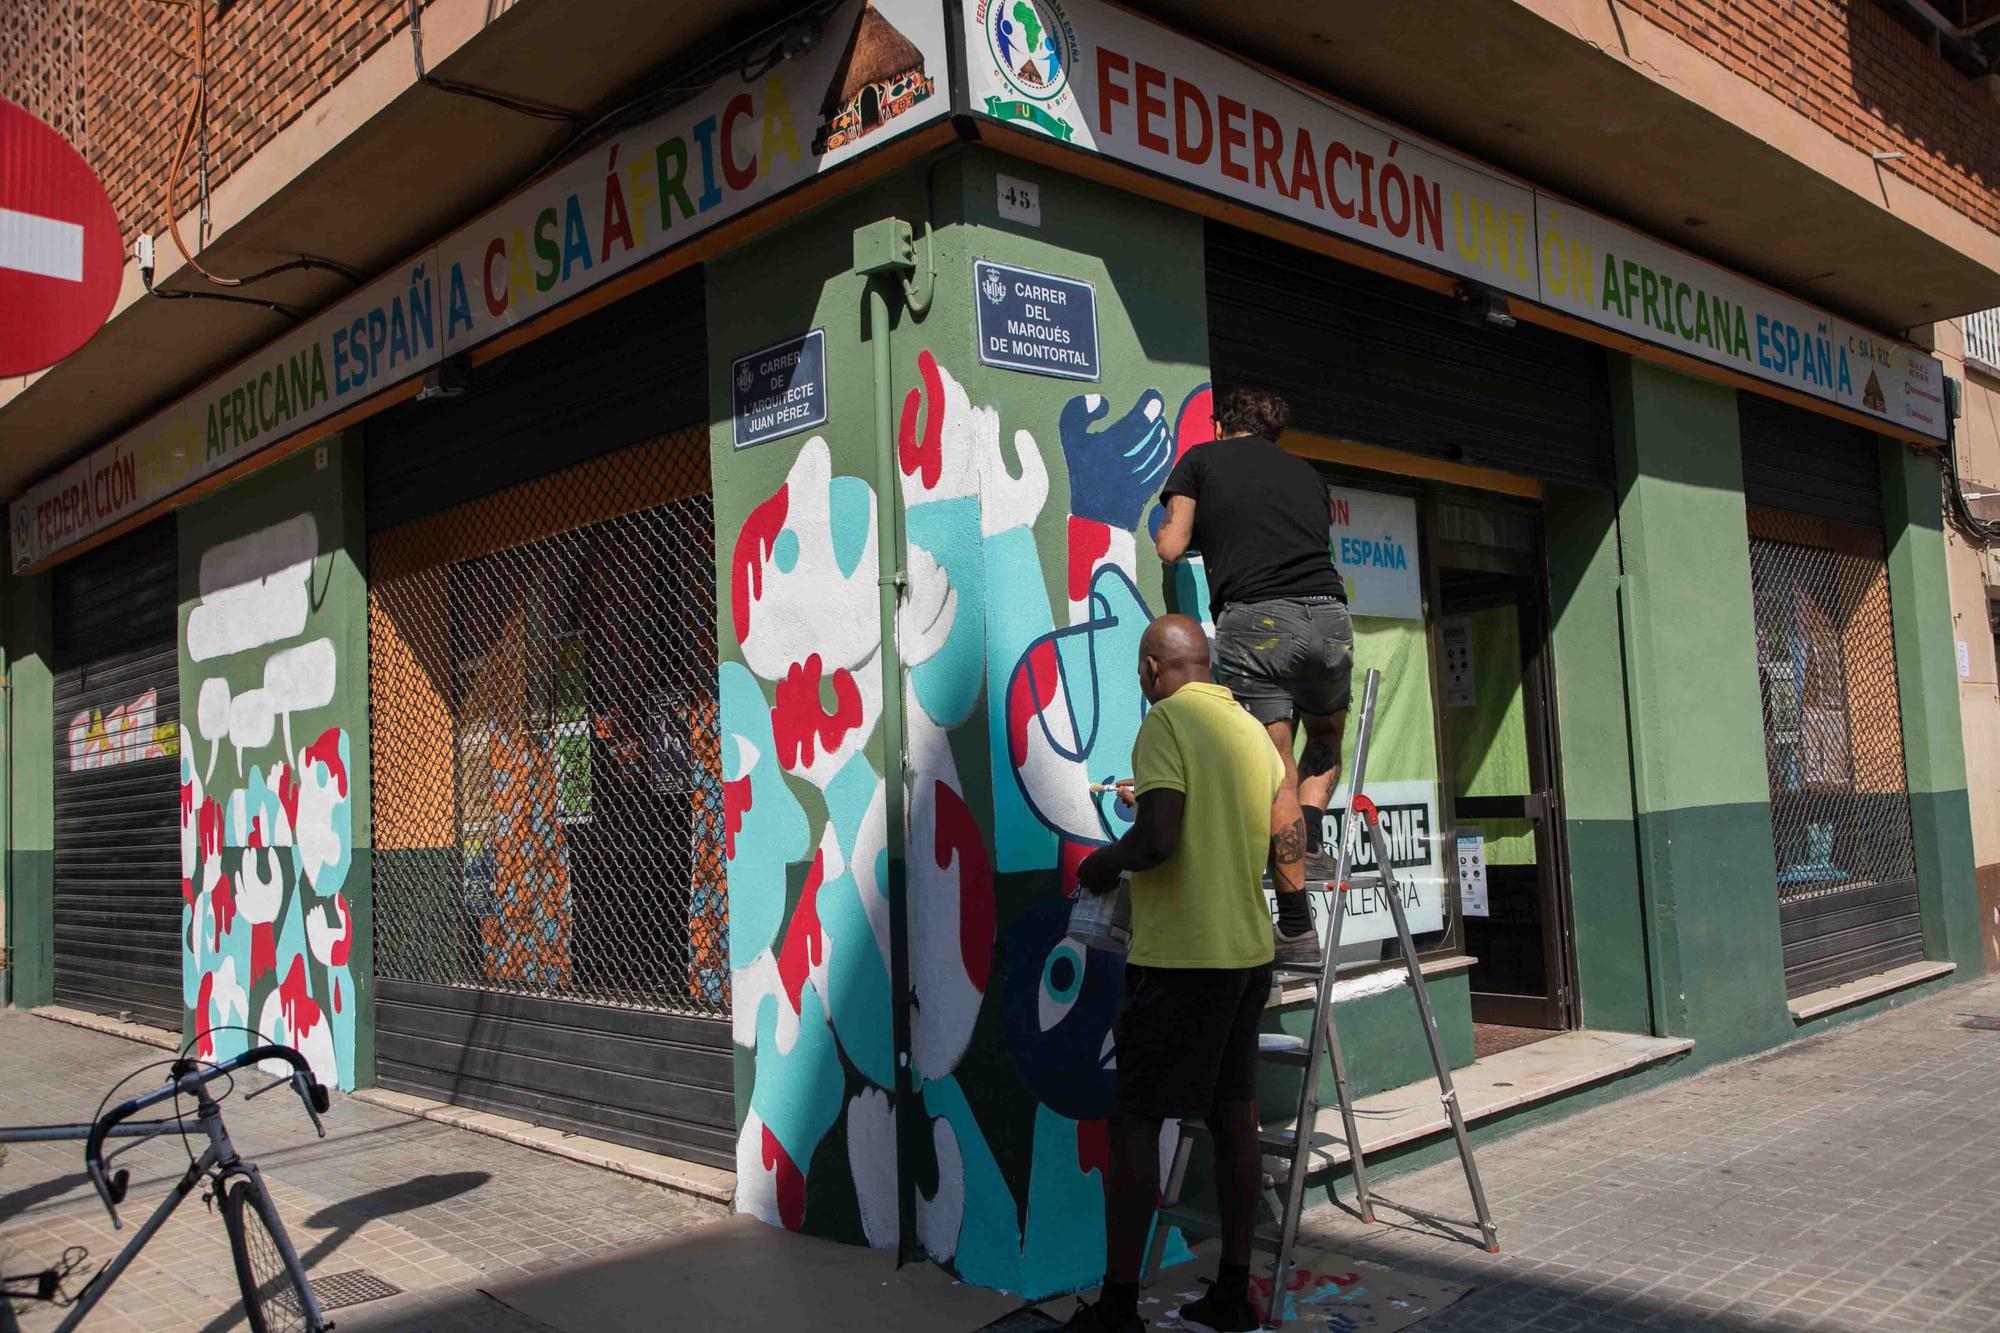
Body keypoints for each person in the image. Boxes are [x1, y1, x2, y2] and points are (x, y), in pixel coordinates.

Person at [1067, 614, 1305, 1333]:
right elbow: (1280, 832)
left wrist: (1102, 861)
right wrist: (1295, 914)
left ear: (1149, 669)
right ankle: (1234, 1293)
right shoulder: (1252, 732)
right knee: (1236, 1118)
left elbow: (1161, 840)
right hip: (1246, 957)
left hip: (1180, 963)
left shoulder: (1164, 722)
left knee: (1137, 1121)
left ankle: (1117, 1308)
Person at [1154, 387, 1352, 964]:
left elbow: (1172, 546)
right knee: (1326, 736)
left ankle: (1294, 926)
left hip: (1260, 620)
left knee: (1275, 769)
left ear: (1219, 426)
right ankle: (1310, 837)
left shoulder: (1199, 460)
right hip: (1331, 617)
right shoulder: (1310, 475)